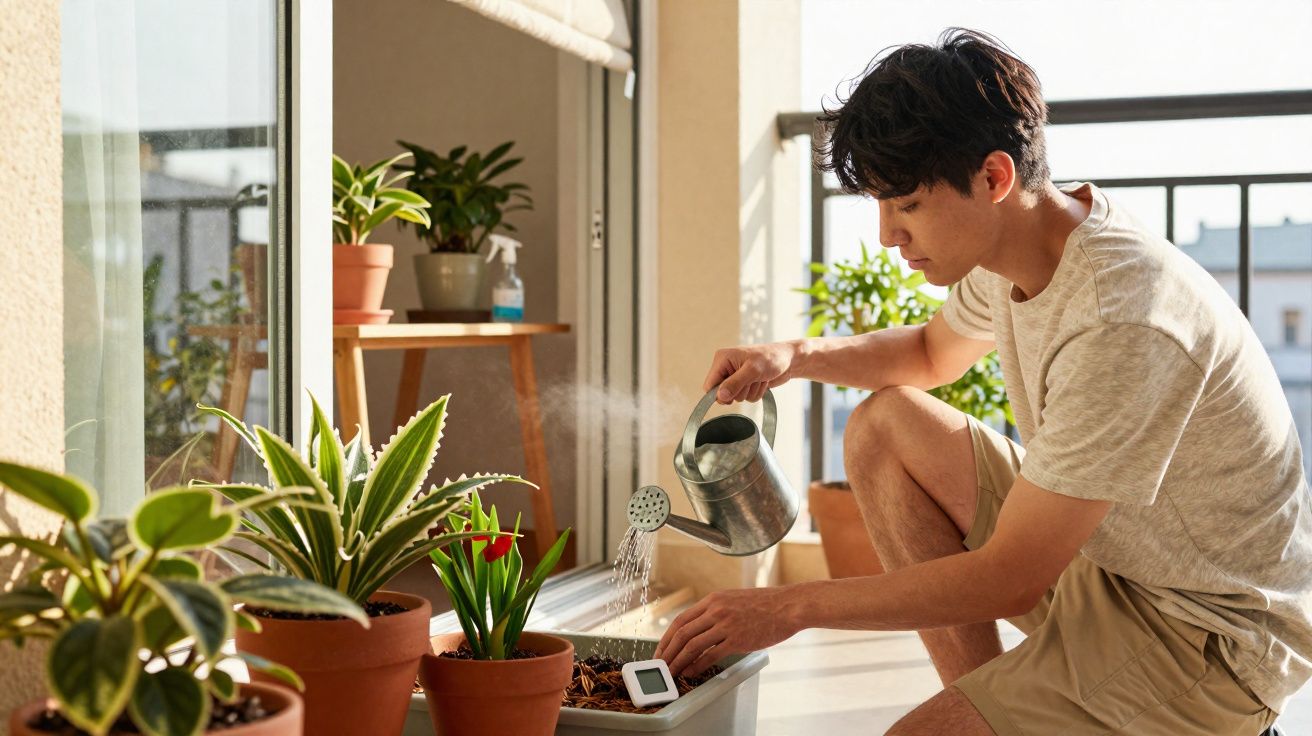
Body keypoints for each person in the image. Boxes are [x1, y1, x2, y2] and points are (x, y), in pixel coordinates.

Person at [652, 28, 1311, 736]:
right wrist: (793, 356)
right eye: (879, 205)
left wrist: (790, 606)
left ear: (995, 178)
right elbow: (931, 353)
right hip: (1108, 563)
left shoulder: (1122, 316)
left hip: (1205, 634)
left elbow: (1011, 578)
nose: (887, 236)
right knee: (883, 429)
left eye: (905, 205)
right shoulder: (1022, 250)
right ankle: (1003, 709)